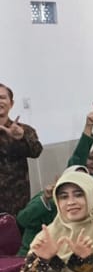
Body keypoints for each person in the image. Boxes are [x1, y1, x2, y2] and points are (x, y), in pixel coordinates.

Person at [0, 83, 43, 216]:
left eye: (2, 97)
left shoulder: (24, 130)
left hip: (17, 205)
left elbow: (36, 151)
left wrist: (22, 137)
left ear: (11, 103)